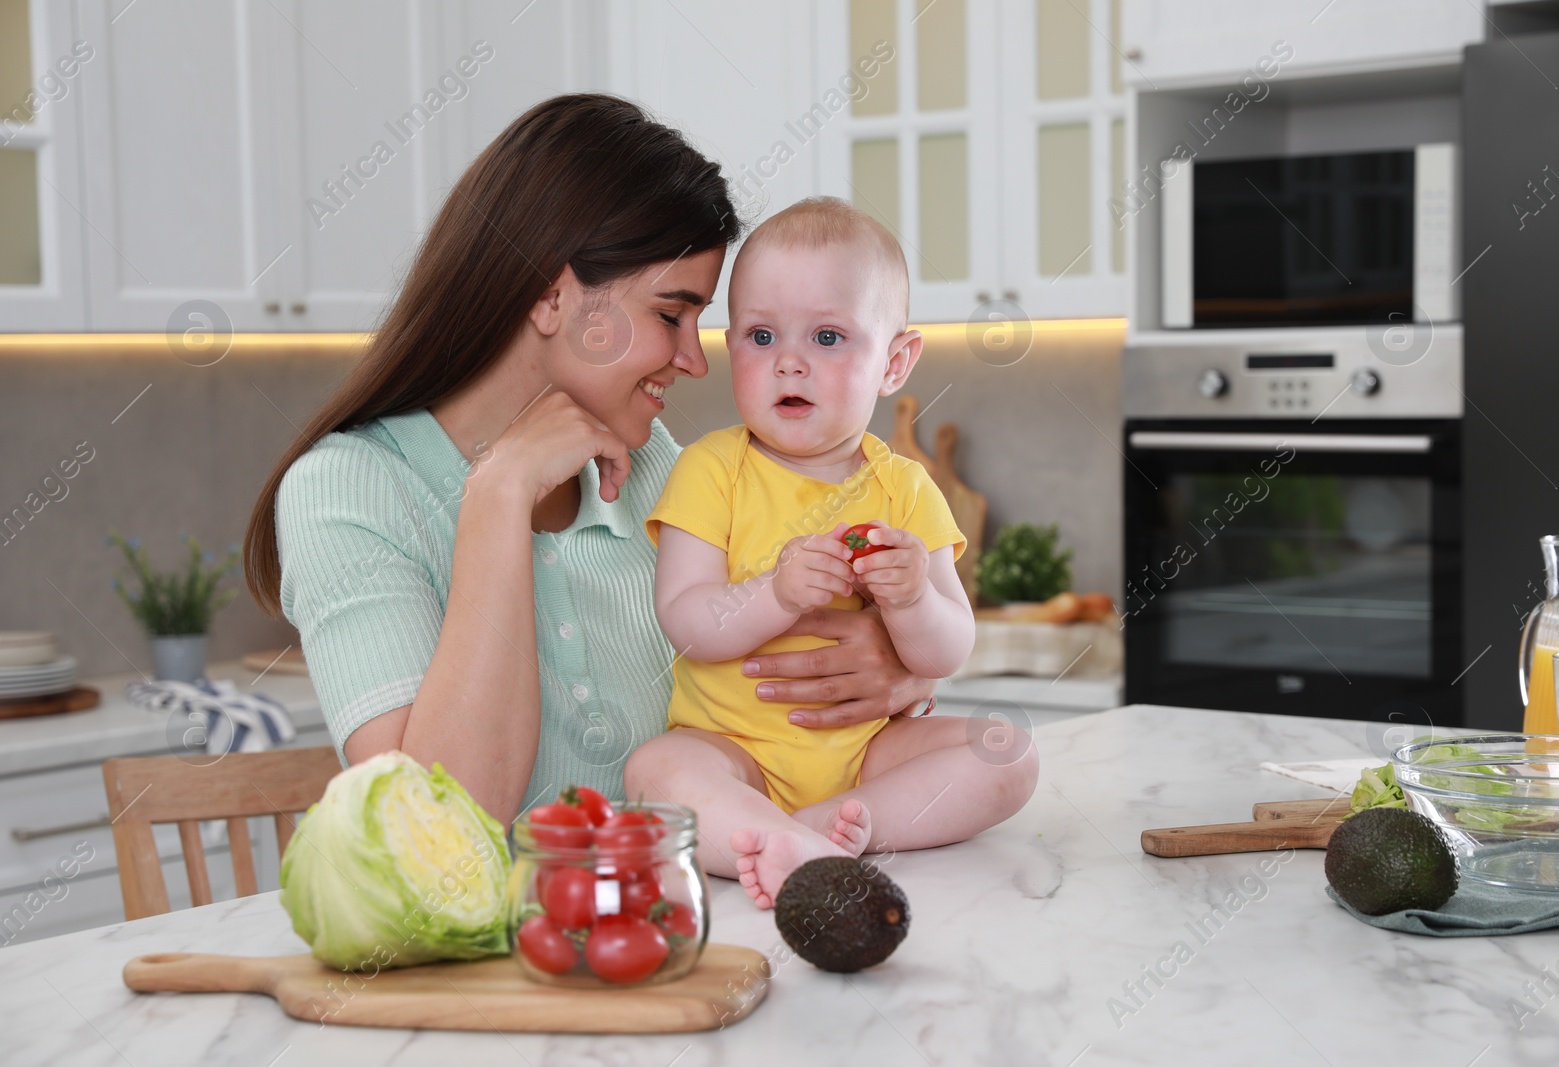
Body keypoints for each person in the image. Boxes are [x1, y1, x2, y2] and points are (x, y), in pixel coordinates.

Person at [241, 95, 938, 835]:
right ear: (551, 293)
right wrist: (500, 494)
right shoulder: (347, 490)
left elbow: (765, 675)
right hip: (507, 949)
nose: (693, 359)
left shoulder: (651, 466)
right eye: (671, 314)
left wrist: (900, 669)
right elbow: (440, 831)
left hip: (703, 924)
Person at [625, 199, 1039, 909]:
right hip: (734, 748)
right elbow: (686, 618)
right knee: (656, 768)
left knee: (1010, 750)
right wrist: (776, 594)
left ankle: (831, 829)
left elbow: (948, 650)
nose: (789, 360)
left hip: (871, 753)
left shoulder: (905, 487)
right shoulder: (710, 467)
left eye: (827, 336)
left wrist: (911, 599)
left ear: (895, 362)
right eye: (761, 335)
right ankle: (772, 828)